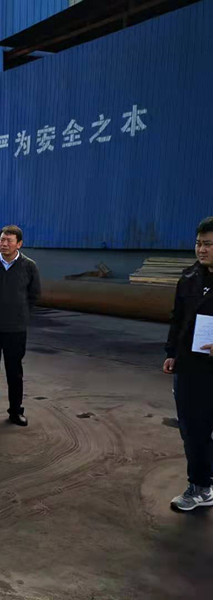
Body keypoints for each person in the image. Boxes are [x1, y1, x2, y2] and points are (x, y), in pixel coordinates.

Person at [163, 216, 213, 512]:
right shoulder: (190, 277)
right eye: (198, 243)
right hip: (191, 367)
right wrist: (171, 352)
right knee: (193, 429)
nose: (201, 249)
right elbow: (178, 318)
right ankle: (200, 487)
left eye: (208, 244)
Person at [0, 226, 41, 427]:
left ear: (19, 244)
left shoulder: (28, 266)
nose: (4, 244)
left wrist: (20, 314)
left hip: (15, 329)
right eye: (2, 240)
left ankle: (15, 411)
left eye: (9, 241)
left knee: (15, 371)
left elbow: (34, 295)